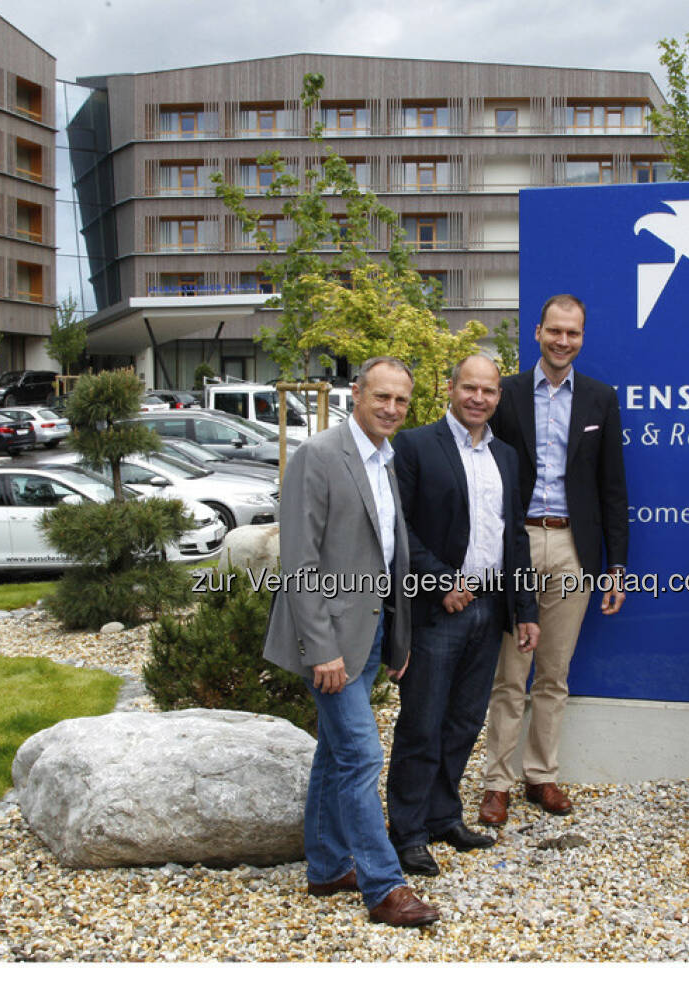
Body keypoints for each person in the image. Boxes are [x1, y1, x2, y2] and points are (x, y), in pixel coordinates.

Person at [262, 356, 438, 928]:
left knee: (335, 754)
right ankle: (384, 887)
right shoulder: (319, 455)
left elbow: (390, 555)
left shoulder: (385, 460)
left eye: (401, 401)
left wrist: (398, 637)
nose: (391, 409)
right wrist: (322, 649)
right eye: (381, 397)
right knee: (362, 755)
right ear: (355, 394)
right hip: (331, 640)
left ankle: (328, 865)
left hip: (373, 630)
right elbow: (300, 561)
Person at [478, 293, 629, 825]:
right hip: (515, 544)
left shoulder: (600, 399)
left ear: (582, 338)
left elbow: (613, 488)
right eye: (555, 331)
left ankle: (541, 775)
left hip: (572, 548)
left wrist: (616, 566)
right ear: (537, 332)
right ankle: (496, 782)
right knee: (509, 674)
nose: (564, 341)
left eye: (574, 333)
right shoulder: (509, 393)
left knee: (554, 672)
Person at [387, 355, 540, 876]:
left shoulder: (508, 457)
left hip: (490, 605)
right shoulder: (414, 447)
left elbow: (513, 534)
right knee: (421, 726)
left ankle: (442, 816)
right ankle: (406, 832)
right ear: (449, 388)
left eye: (489, 391)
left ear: (499, 397)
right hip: (438, 611)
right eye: (469, 388)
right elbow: (399, 528)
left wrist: (525, 608)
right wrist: (438, 583)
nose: (479, 398)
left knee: (463, 723)